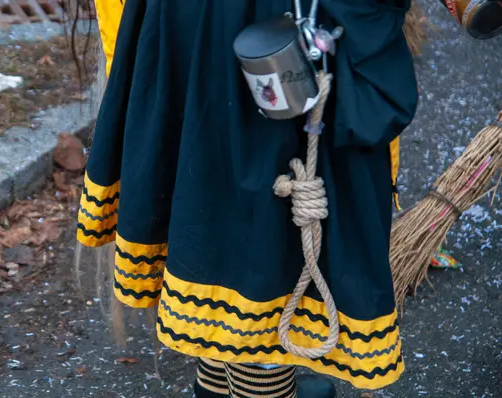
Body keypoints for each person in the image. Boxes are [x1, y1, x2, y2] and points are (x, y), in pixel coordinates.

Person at [77, 0, 418, 396]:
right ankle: (261, 389)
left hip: (186, 18)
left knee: (214, 205)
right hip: (269, 22)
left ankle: (219, 387)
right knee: (261, 246)